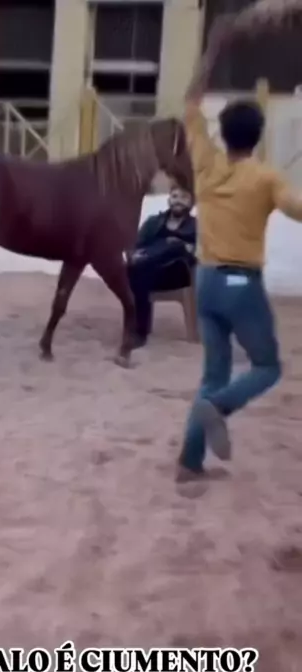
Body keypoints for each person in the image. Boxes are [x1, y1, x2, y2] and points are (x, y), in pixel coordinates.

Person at [176, 17, 302, 483]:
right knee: (266, 367)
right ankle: (220, 408)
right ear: (259, 134)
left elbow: (190, 103)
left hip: (205, 281)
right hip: (240, 284)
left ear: (223, 132)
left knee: (213, 374)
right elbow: (297, 209)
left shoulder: (205, 164)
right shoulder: (267, 177)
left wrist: (212, 53)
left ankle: (189, 464)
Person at [127, 185, 197, 345]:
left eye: (183, 197)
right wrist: (137, 255)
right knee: (139, 274)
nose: (178, 201)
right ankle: (141, 332)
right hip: (150, 272)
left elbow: (201, 252)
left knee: (174, 245)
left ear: (191, 202)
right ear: (169, 200)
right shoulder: (153, 222)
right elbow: (135, 245)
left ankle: (143, 261)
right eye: (174, 196)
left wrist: (187, 247)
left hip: (177, 275)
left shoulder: (196, 226)